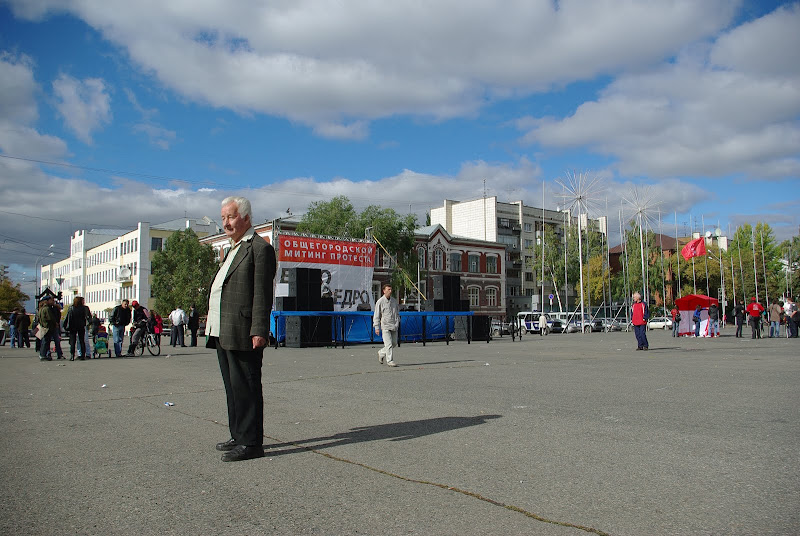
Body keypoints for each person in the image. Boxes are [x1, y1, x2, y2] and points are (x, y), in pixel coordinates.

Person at [206, 196, 277, 462]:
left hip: (244, 329)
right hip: (223, 329)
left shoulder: (259, 248)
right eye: (223, 217)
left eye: (231, 217)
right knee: (233, 387)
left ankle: (251, 444)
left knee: (246, 385)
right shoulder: (232, 248)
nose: (225, 222)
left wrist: (259, 330)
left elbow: (262, 294)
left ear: (246, 217)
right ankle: (238, 434)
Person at [374, 283, 400, 365]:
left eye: (391, 289)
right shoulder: (380, 302)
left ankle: (381, 352)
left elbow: (397, 312)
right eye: (388, 289)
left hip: (394, 325)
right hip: (385, 325)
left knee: (394, 343)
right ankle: (390, 360)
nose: (390, 291)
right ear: (384, 291)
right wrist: (376, 327)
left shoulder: (394, 301)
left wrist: (397, 321)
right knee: (388, 344)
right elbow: (377, 315)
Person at [65, 296, 91, 361]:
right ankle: (82, 355)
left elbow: (68, 317)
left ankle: (72, 356)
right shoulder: (83, 308)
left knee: (72, 342)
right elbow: (87, 317)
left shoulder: (71, 308)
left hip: (72, 326)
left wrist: (66, 325)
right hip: (81, 326)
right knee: (82, 341)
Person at [38, 296, 63, 361]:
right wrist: (55, 323)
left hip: (44, 326)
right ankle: (43, 355)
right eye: (51, 300)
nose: (53, 301)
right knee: (46, 341)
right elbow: (50, 317)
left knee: (45, 341)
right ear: (47, 300)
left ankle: (44, 354)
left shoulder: (41, 308)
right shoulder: (47, 309)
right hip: (48, 327)